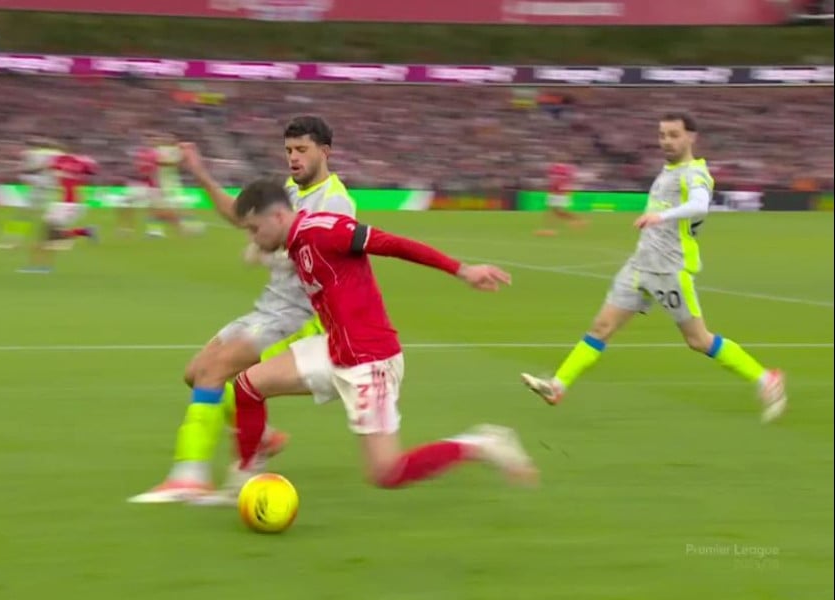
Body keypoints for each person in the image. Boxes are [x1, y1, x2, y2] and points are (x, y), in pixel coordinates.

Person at [205, 178, 538, 501]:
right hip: (335, 349)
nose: (253, 237)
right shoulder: (295, 242)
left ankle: (482, 444)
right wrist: (262, 253)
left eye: (254, 229)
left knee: (387, 472)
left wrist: (462, 270)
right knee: (248, 386)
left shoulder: (325, 230)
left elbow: (394, 244)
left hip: (370, 360)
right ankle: (244, 481)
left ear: (278, 216)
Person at [130, 116, 356, 504]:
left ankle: (190, 475)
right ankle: (262, 437)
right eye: (289, 150)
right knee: (195, 373)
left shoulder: (335, 201)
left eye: (302, 150)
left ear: (325, 152)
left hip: (300, 316)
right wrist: (200, 173)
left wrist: (272, 250)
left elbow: (328, 260)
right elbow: (240, 215)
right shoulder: (289, 191)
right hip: (270, 307)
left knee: (214, 372)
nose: (294, 158)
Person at [520, 113, 787, 423]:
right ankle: (558, 386)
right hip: (640, 265)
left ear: (691, 137)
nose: (666, 141)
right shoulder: (668, 170)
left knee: (698, 340)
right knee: (601, 327)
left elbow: (700, 204)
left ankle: (766, 379)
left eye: (674, 135)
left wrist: (661, 216)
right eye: (662, 135)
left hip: (669, 269)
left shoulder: (694, 173)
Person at [18, 146, 99, 274]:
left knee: (45, 236)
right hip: (70, 204)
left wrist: (28, 170)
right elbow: (92, 172)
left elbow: (42, 168)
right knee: (54, 235)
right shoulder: (81, 162)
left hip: (65, 205)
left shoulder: (59, 160)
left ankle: (39, 266)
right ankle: (84, 231)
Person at [535, 154, 585, 236]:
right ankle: (577, 220)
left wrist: (553, 187)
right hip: (559, 192)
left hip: (557, 192)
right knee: (556, 212)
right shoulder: (566, 169)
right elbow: (569, 180)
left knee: (552, 211)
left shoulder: (555, 168)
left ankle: (549, 229)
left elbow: (553, 180)